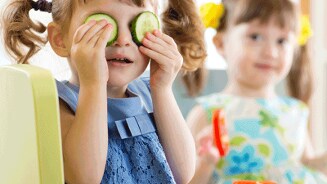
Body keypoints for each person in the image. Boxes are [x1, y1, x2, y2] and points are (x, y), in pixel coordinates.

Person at [2, 0, 207, 183]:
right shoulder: (59, 102)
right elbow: (86, 177)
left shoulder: (152, 92)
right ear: (60, 39)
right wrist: (93, 84)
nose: (124, 40)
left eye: (137, 25)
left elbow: (183, 174)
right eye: (101, 27)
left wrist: (163, 89)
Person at [187, 0, 327, 183]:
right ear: (221, 43)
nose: (271, 52)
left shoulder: (295, 111)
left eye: (282, 41)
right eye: (255, 37)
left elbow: (306, 164)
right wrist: (206, 163)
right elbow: (186, 179)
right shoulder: (207, 112)